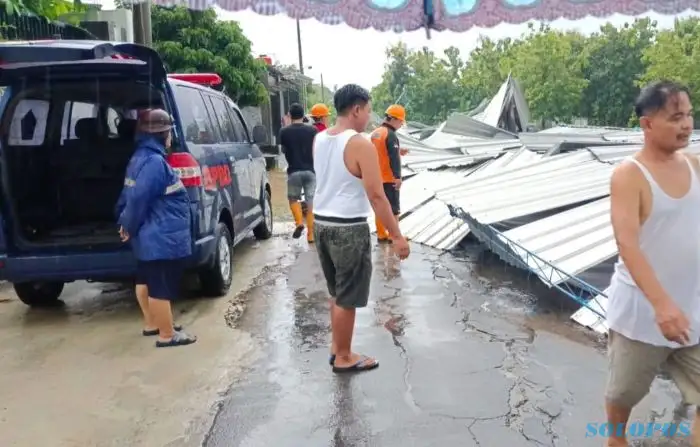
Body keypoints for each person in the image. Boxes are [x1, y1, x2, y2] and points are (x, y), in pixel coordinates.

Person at [605, 80, 700, 446]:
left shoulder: (694, 166)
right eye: (676, 117)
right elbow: (626, 242)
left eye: (689, 115)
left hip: (690, 312)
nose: (687, 125)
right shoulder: (630, 175)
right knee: (622, 395)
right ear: (647, 124)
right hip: (642, 316)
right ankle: (615, 440)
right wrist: (661, 305)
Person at [313, 84, 410, 373]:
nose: (369, 116)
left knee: (336, 292)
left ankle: (337, 348)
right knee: (348, 296)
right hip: (347, 228)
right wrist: (397, 236)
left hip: (322, 223)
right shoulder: (359, 144)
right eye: (367, 110)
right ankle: (344, 357)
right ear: (356, 109)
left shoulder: (320, 138)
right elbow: (377, 196)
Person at [116, 109, 196, 348]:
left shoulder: (138, 157)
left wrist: (125, 223)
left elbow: (128, 196)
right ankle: (167, 334)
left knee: (146, 277)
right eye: (169, 131)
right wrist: (128, 225)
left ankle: (153, 323)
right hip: (160, 234)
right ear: (163, 134)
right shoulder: (154, 162)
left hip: (149, 232)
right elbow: (139, 197)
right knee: (160, 286)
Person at [279, 102, 318, 243]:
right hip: (310, 171)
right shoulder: (313, 130)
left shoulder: (284, 131)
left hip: (294, 171)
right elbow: (316, 150)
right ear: (303, 115)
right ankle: (311, 235)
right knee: (310, 201)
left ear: (290, 115)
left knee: (293, 199)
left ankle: (299, 223)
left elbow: (283, 150)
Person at [370, 104, 406, 243]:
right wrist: (397, 177)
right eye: (401, 122)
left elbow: (381, 152)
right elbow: (393, 158)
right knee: (394, 208)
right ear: (395, 120)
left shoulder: (376, 133)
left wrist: (398, 150)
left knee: (379, 207)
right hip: (388, 177)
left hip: (376, 177)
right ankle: (394, 235)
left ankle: (381, 234)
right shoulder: (390, 135)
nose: (401, 125)